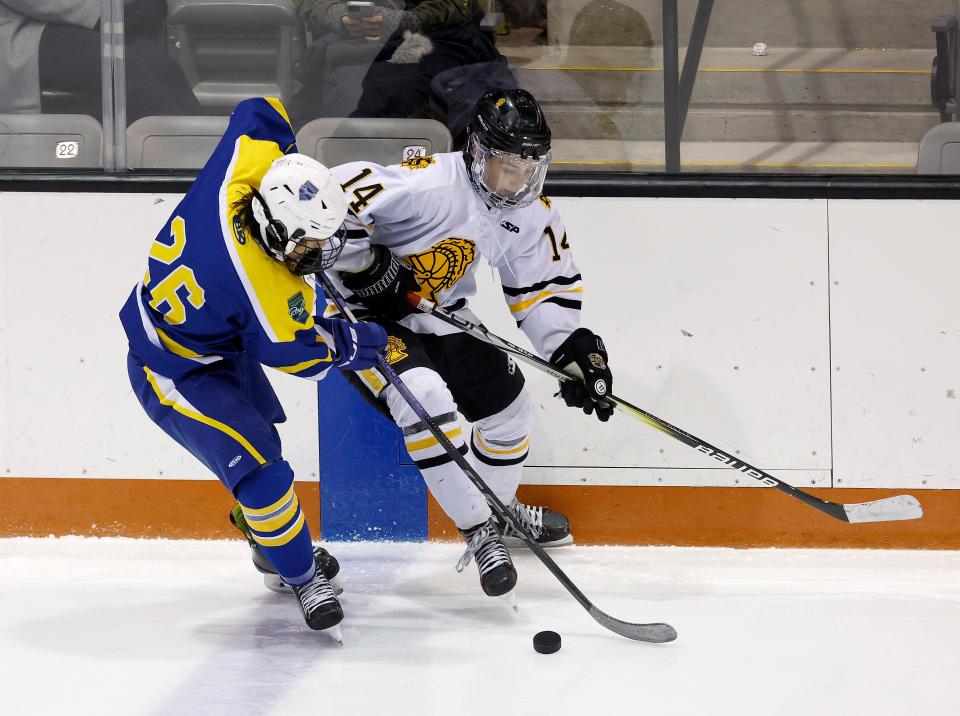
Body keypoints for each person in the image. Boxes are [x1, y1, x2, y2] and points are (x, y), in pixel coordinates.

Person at [324, 87, 614, 600]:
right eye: (507, 165)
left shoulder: (530, 212)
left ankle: (496, 516)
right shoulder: (430, 182)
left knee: (511, 411)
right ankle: (480, 532)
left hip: (439, 314)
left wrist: (571, 350)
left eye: (530, 167)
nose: (519, 179)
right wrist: (368, 265)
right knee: (428, 398)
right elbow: (326, 202)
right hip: (364, 317)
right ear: (477, 151)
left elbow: (543, 287)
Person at [118, 97, 388, 637]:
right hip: (174, 369)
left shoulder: (243, 170)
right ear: (279, 232)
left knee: (263, 440)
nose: (318, 253)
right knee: (262, 470)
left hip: (216, 338)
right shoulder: (265, 292)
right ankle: (301, 576)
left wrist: (292, 165)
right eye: (310, 244)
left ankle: (269, 545)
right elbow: (307, 357)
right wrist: (355, 341)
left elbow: (260, 110)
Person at [0, 0, 200, 119]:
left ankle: (210, 166)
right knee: (123, 69)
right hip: (16, 30)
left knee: (161, 65)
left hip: (60, 17)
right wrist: (100, 11)